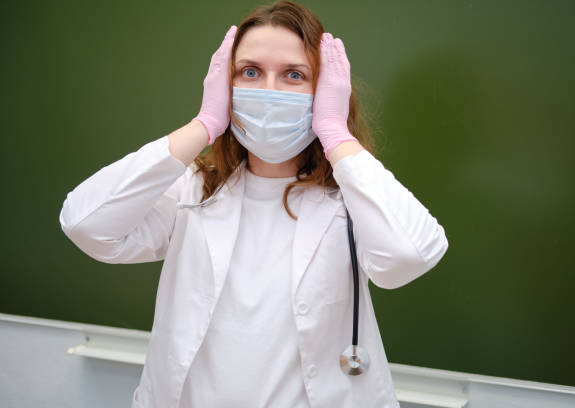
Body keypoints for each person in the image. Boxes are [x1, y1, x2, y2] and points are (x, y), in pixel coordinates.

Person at [59, 1, 449, 407]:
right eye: (250, 72)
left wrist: (335, 133)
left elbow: (411, 255)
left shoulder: (352, 198)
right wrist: (205, 123)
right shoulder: (193, 191)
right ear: (224, 86)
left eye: (294, 75)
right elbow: (86, 224)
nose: (269, 92)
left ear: (324, 93)